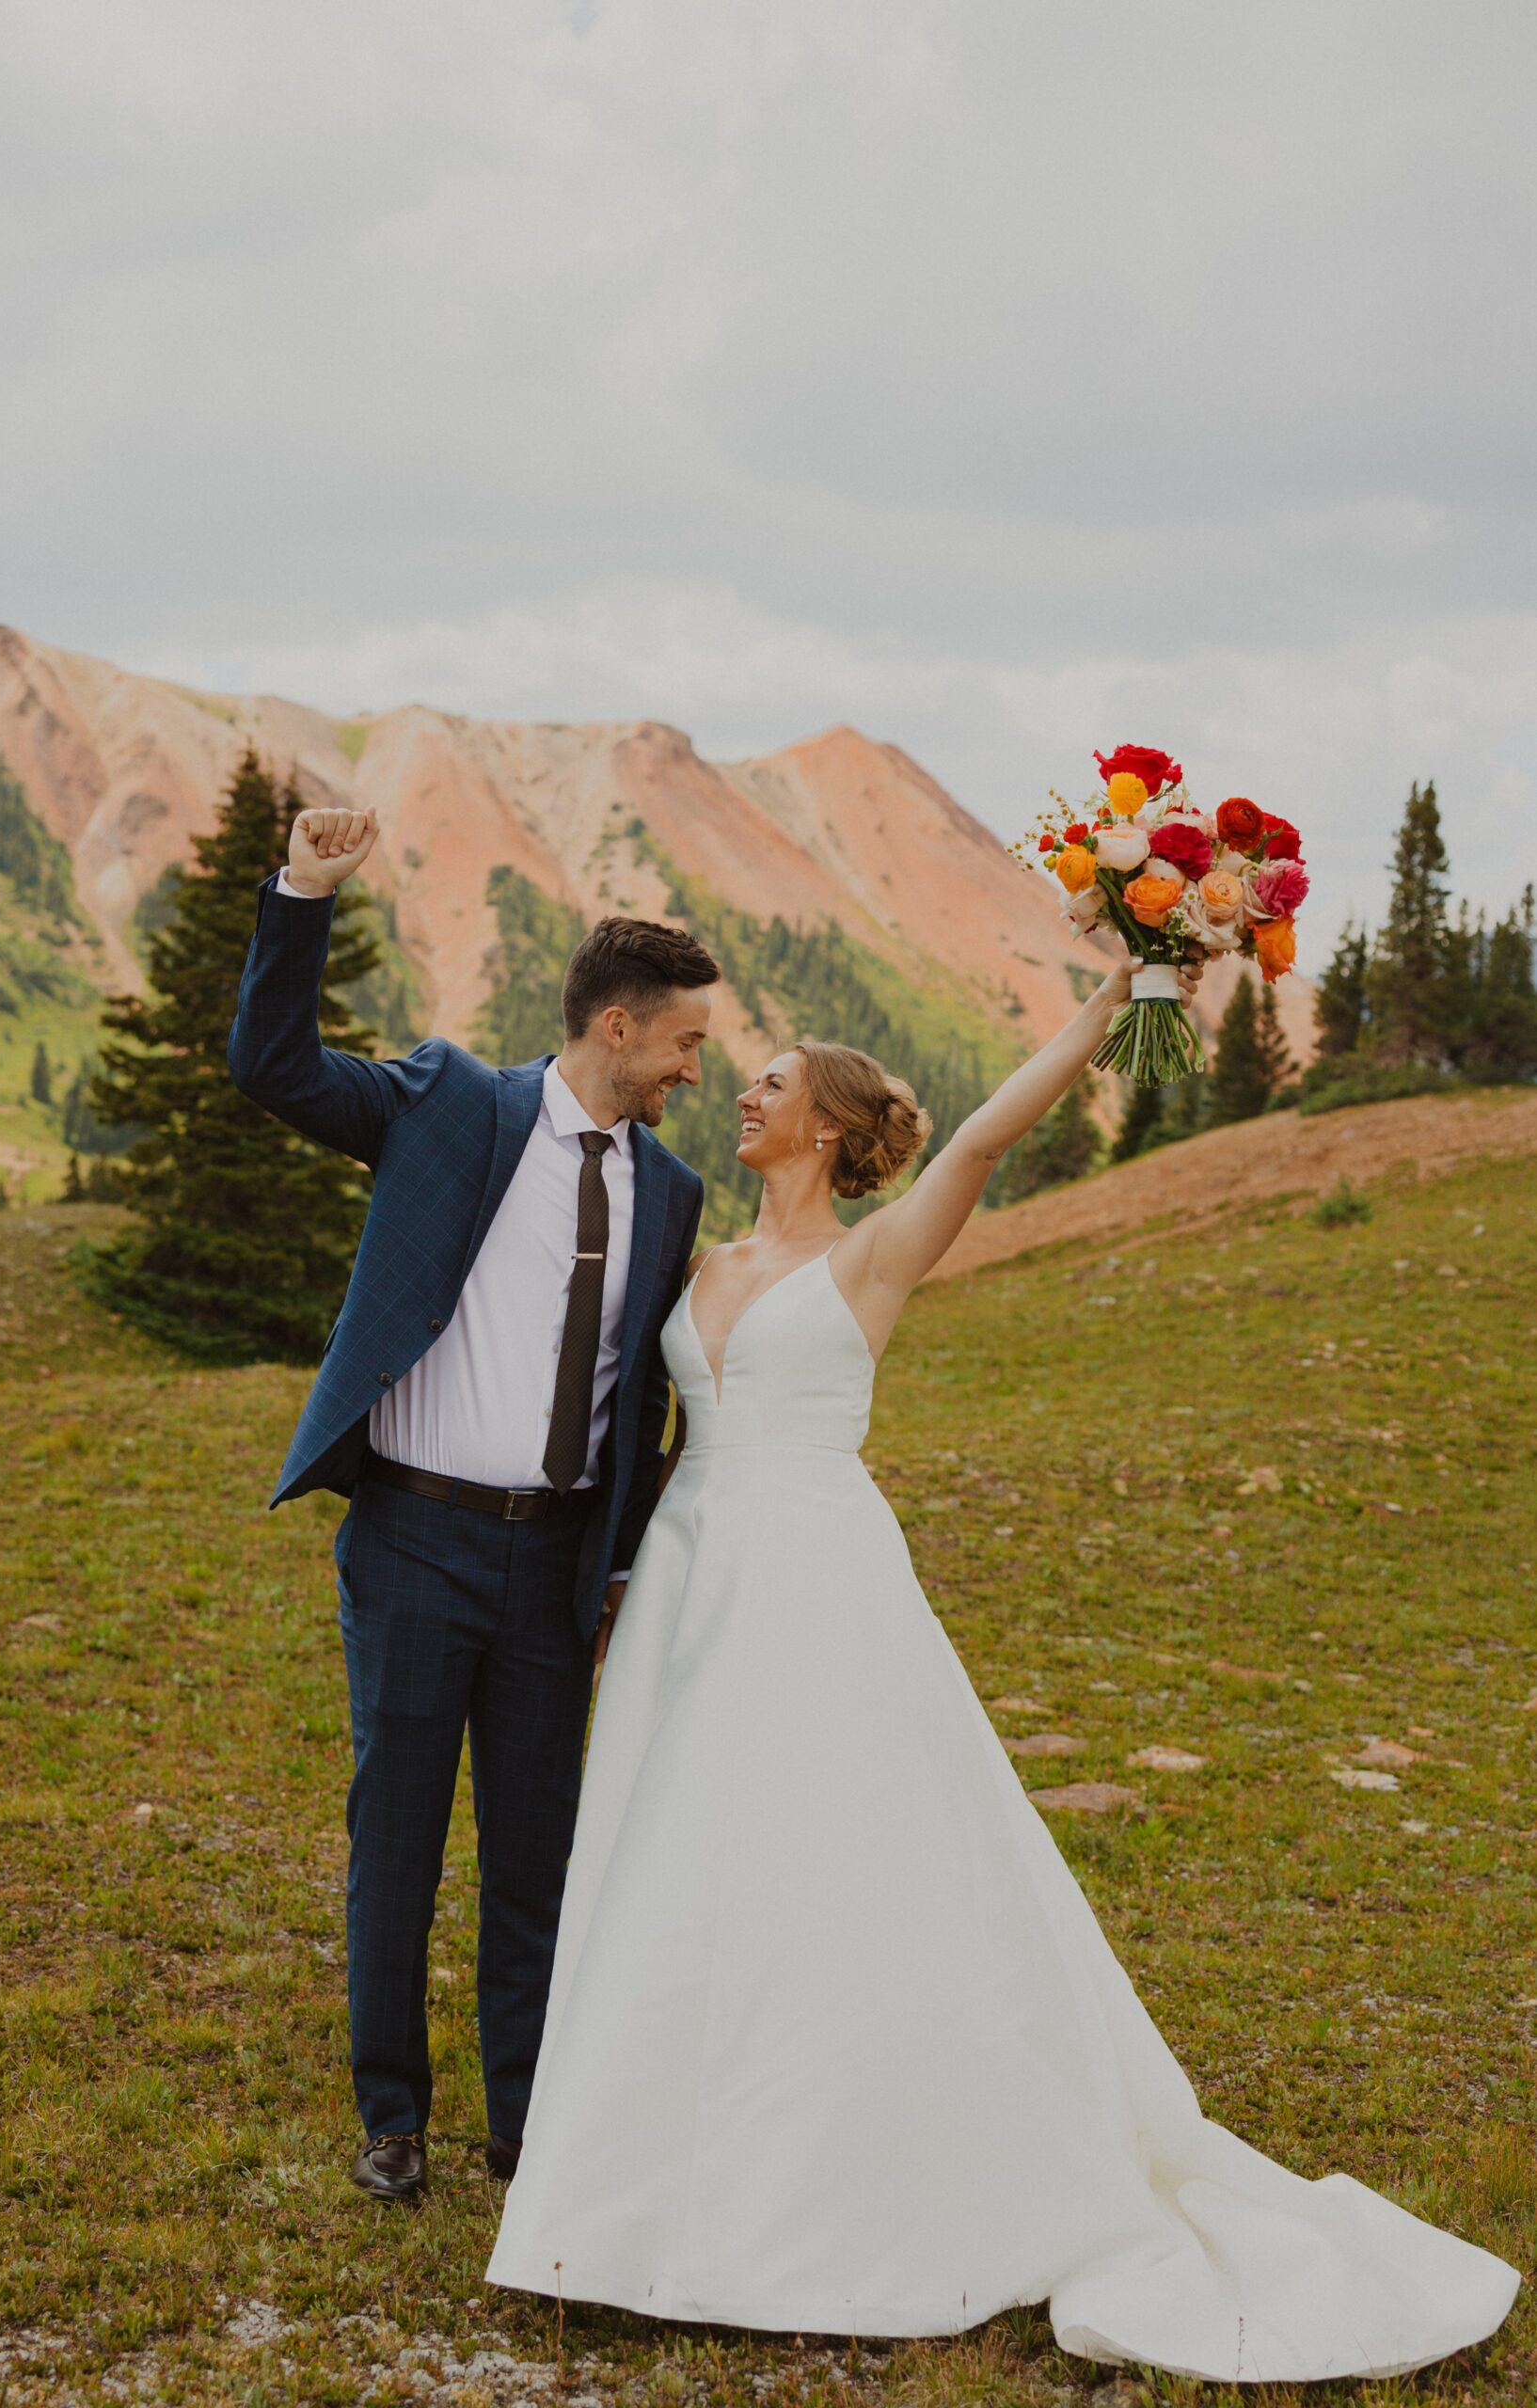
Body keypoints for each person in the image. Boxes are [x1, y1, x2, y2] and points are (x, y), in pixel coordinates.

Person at [487, 963, 1519, 2384]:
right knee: (678, 1859)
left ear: (833, 1131)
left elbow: (980, 1139)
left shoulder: (868, 1259)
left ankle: (833, 2182)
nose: (745, 1088)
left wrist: (1110, 997)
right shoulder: (700, 1257)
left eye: (775, 1081)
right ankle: (643, 2184)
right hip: (685, 1577)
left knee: (824, 1851)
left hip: (814, 1576)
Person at [228, 803, 717, 2200]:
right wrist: (303, 894)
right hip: (414, 1539)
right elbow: (271, 1067)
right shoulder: (450, 1102)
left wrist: (618, 1567)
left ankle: (526, 2125)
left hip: (557, 1567)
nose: (695, 1066)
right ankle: (392, 2116)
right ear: (615, 1026)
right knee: (396, 1836)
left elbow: (648, 1403)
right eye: (683, 1038)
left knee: (533, 1854)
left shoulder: (670, 1193)